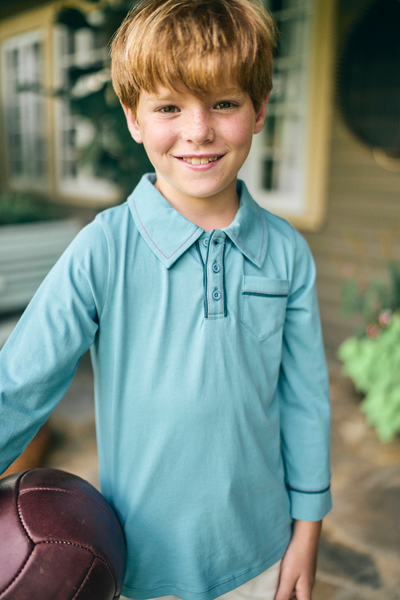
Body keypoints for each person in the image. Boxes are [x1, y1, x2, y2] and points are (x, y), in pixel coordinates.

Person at [0, 0, 332, 599]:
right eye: (169, 107)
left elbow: (305, 402)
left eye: (224, 103)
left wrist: (307, 529)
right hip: (138, 567)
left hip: (261, 556)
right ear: (133, 117)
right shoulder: (102, 248)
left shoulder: (287, 254)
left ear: (259, 108)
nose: (198, 130)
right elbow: (18, 383)